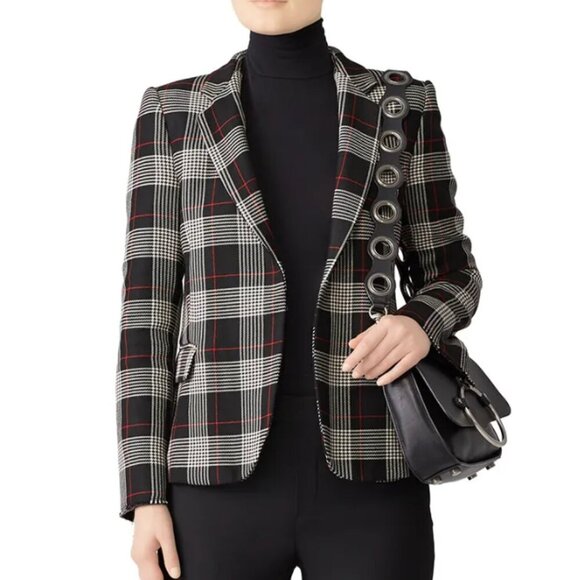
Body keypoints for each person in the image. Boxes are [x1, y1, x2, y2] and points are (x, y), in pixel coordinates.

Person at [115, 1, 482, 579]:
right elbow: (146, 314)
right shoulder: (173, 112)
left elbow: (454, 273)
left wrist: (419, 321)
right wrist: (144, 495)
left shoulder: (401, 106)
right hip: (214, 468)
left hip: (375, 464)